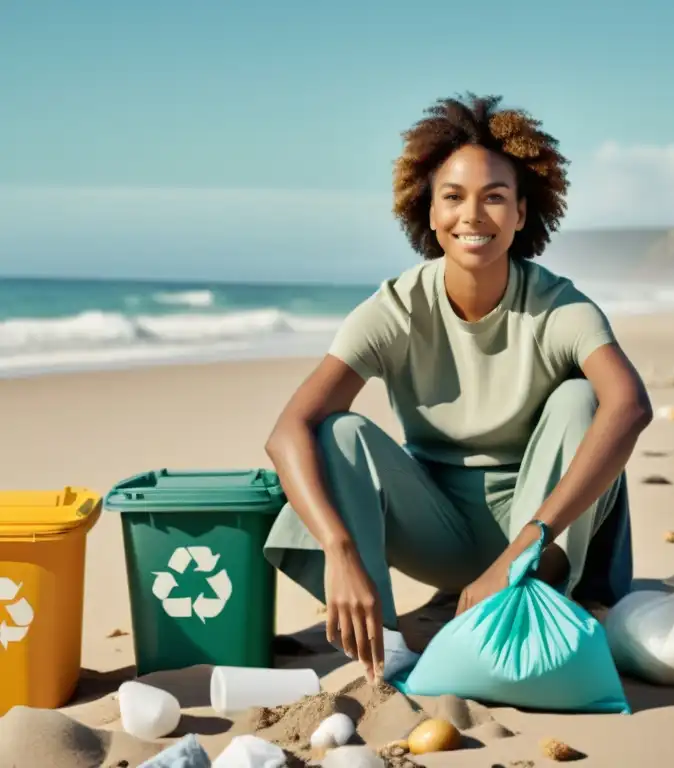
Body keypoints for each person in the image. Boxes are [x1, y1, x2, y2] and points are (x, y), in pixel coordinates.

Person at [263, 93, 653, 684]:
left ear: (523, 214)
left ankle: (537, 606)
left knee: (583, 398)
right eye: (454, 197)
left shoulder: (558, 306)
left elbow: (630, 406)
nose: (473, 215)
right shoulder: (395, 308)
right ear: (429, 211)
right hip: (436, 531)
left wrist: (527, 543)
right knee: (339, 430)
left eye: (495, 197)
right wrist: (340, 550)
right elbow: (289, 430)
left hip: (541, 530)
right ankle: (386, 651)